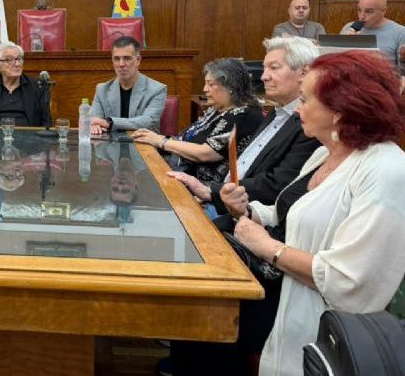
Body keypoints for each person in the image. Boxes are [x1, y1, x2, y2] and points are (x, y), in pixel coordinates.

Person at [221, 50, 405, 376]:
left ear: (340, 110)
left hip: (330, 340)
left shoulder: (386, 169)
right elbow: (290, 215)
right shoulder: (324, 154)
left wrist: (266, 246)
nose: (298, 111)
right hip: (289, 318)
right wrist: (248, 212)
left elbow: (348, 280)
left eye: (305, 100)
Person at [168, 37, 320, 213]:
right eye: (264, 68)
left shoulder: (310, 124)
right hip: (221, 199)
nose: (264, 76)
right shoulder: (275, 112)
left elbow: (276, 185)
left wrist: (212, 192)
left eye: (274, 68)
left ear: (304, 72)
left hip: (249, 214)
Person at [132, 58, 264, 186]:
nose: (205, 89)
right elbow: (186, 138)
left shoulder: (244, 115)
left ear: (230, 86)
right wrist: (155, 138)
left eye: (211, 84)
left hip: (205, 188)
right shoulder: (217, 108)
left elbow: (206, 153)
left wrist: (161, 141)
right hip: (181, 171)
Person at [90, 36, 167, 135]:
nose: (121, 64)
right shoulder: (102, 90)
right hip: (110, 147)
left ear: (138, 60)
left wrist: (109, 123)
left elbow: (148, 121)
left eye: (127, 58)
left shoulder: (157, 90)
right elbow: (95, 120)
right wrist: (95, 125)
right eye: (117, 59)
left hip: (143, 146)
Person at [0, 41, 51, 128]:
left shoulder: (37, 85)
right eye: (9, 60)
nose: (17, 64)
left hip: (28, 136)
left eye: (19, 59)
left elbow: (46, 121)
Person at [341, 0, 405, 73]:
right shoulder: (349, 27)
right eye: (359, 10)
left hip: (383, 83)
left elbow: (402, 75)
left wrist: (403, 60)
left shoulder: (400, 32)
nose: (362, 16)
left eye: (369, 11)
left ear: (383, 11)